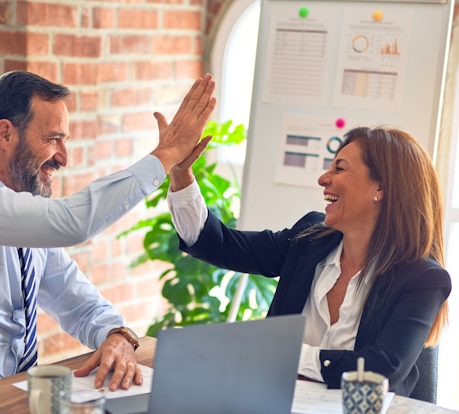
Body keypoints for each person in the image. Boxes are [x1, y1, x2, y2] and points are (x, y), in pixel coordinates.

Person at [0, 70, 216, 392]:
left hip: (13, 404)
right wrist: (165, 156)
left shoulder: (30, 226)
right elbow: (71, 222)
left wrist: (117, 336)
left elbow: (79, 303)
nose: (64, 158)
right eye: (53, 139)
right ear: (6, 134)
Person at [166, 125, 451, 397]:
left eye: (339, 168)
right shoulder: (309, 240)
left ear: (381, 188)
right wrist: (181, 174)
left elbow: (381, 370)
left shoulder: (423, 279)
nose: (323, 179)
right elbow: (220, 245)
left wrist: (285, 353)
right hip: (277, 410)